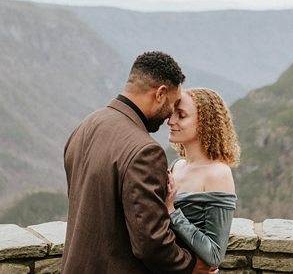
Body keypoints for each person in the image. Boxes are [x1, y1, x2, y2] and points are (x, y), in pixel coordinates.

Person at [62, 51, 216, 274]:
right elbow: (150, 242)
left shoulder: (85, 126)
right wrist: (190, 265)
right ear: (160, 94)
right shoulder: (145, 151)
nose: (169, 117)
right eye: (172, 106)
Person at [165, 88, 240, 270]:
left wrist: (171, 211)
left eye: (181, 116)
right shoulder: (176, 166)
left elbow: (214, 255)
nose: (170, 121)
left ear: (205, 124)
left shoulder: (217, 174)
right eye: (172, 113)